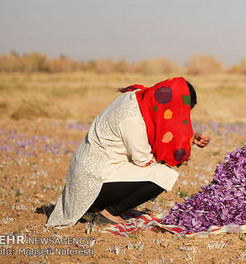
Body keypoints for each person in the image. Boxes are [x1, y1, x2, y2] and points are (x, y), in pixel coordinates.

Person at [46, 77, 210, 228]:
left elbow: (157, 132)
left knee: (160, 169)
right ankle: (110, 213)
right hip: (93, 183)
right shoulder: (132, 120)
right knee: (164, 175)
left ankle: (95, 208)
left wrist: (188, 141)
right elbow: (143, 160)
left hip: (91, 174)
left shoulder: (138, 97)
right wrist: (172, 158)